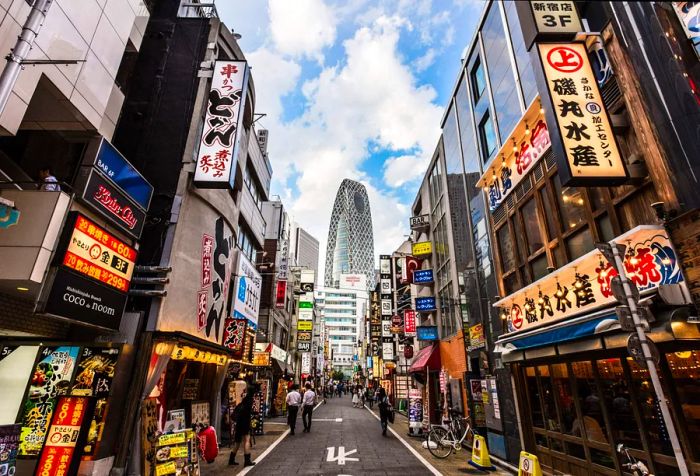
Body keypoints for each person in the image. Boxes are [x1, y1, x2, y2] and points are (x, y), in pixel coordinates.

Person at [228, 387, 256, 467]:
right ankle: (247, 461)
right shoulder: (250, 400)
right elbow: (248, 413)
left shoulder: (244, 400)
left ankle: (231, 459)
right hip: (245, 422)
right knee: (247, 440)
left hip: (239, 423)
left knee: (237, 441)